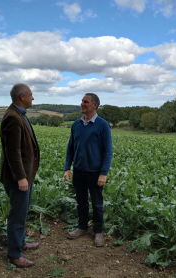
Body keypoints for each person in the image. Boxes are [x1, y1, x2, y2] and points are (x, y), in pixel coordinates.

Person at [64, 93, 113, 247]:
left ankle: (98, 231)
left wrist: (103, 173)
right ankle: (82, 227)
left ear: (95, 105)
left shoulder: (102, 125)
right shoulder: (76, 125)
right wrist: (67, 168)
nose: (82, 104)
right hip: (79, 170)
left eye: (86, 102)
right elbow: (70, 148)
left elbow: (108, 151)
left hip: (95, 172)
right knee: (81, 202)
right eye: (82, 101)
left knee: (97, 203)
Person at [0, 84, 40, 268]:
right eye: (31, 95)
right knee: (17, 215)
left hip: (24, 176)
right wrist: (21, 177)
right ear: (22, 96)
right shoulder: (13, 118)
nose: (33, 98)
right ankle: (15, 255)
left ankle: (21, 242)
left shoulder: (19, 114)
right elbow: (12, 152)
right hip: (18, 178)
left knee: (22, 213)